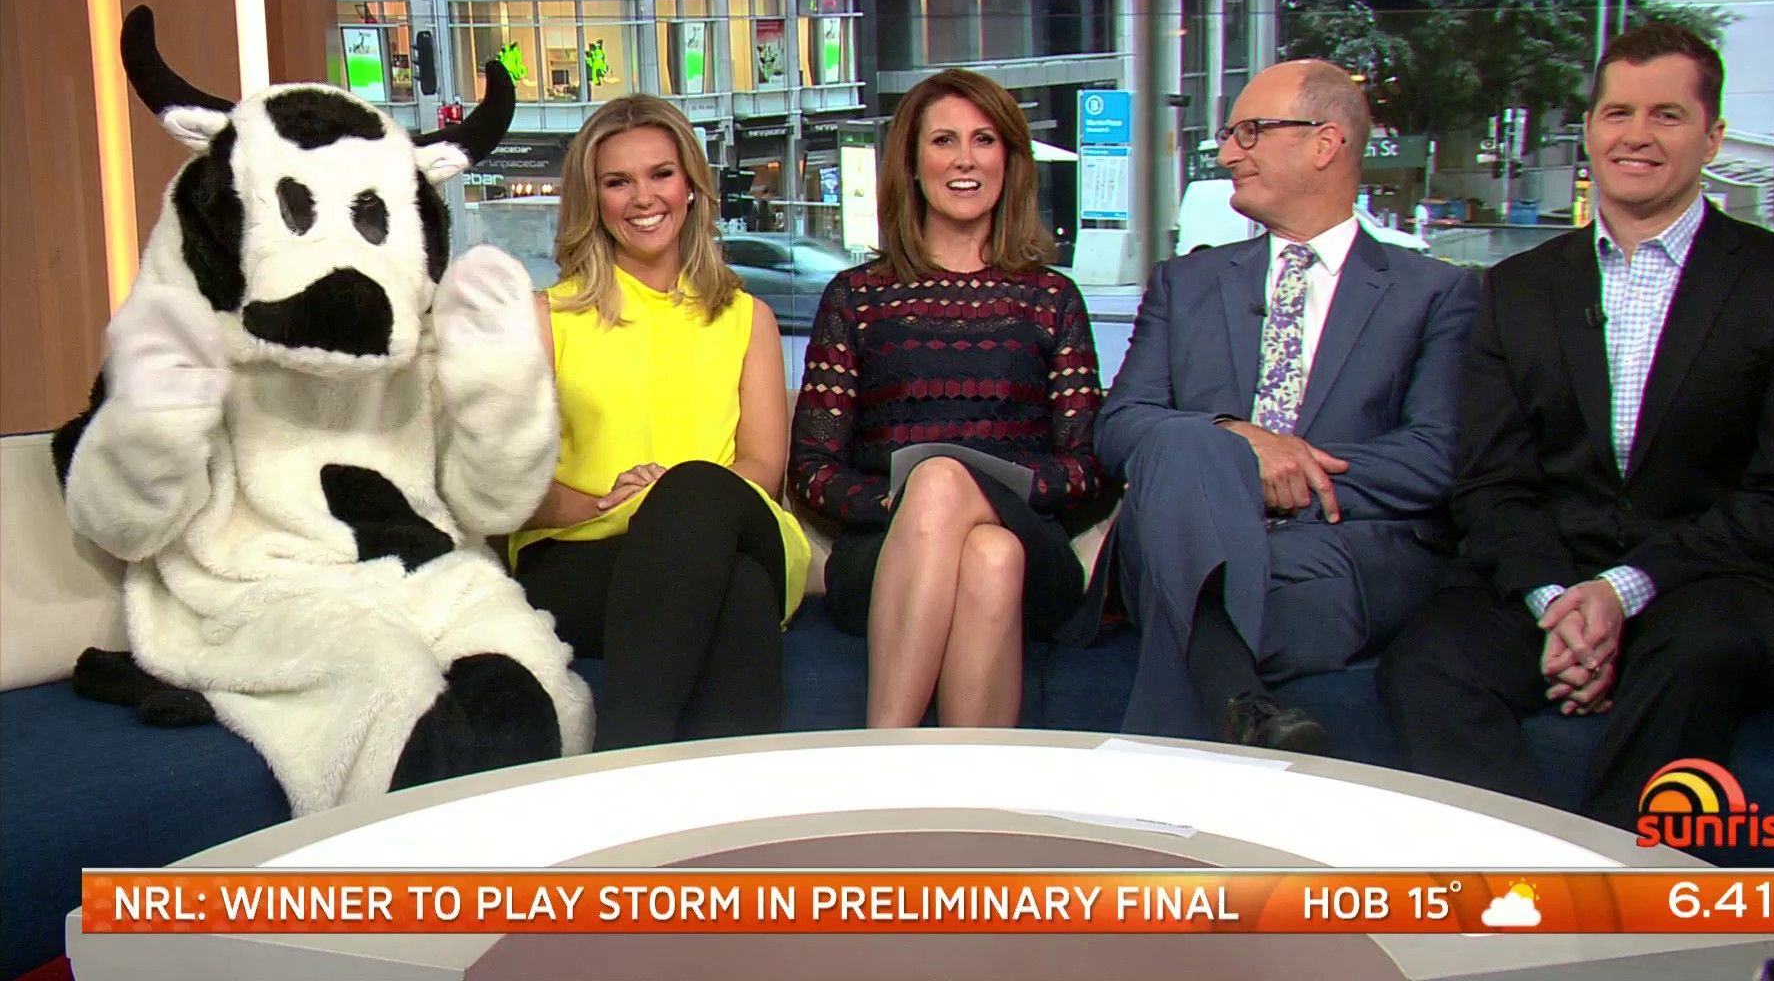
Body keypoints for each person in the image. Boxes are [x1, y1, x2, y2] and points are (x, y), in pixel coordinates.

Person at [1377, 24, 1774, 829]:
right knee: (1431, 660)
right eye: (1618, 113)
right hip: (1554, 578)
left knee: (1695, 653)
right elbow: (1492, 482)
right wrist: (1559, 602)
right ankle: (1519, 884)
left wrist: (1623, 591)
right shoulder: (1516, 288)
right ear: (1591, 130)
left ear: (1712, 137)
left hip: (1718, 588)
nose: (1637, 135)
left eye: (1667, 115)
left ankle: (1615, 897)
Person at [1078, 59, 1479, 750]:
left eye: (1251, 132)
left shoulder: (1436, 292)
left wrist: (1287, 472)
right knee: (1188, 442)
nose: (1228, 154)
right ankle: (1241, 710)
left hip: (1336, 549)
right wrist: (1237, 445)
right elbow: (1119, 426)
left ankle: (1216, 715)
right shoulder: (1185, 283)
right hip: (1180, 532)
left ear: (1325, 143)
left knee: (1198, 585)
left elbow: (1433, 456)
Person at [788, 68, 1104, 728]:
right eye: (944, 141)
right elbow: (812, 470)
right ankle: (967, 784)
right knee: (987, 554)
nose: (965, 159)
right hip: (884, 552)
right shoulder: (857, 297)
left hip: (1033, 544)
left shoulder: (1052, 298)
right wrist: (905, 503)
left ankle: (881, 751)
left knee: (966, 507)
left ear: (1009, 162)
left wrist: (973, 491)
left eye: (984, 140)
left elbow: (1084, 469)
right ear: (912, 163)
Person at [509, 95, 812, 751]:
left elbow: (762, 467)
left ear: (691, 187)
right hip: (582, 554)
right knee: (740, 594)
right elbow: (512, 483)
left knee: (695, 492)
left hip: (734, 525)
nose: (643, 197)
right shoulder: (544, 318)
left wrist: (673, 497)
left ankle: (620, 766)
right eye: (618, 182)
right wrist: (613, 503)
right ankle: (736, 807)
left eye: (661, 174)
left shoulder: (747, 317)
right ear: (593, 200)